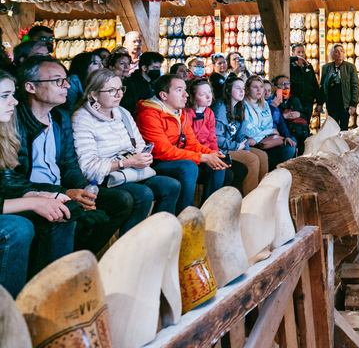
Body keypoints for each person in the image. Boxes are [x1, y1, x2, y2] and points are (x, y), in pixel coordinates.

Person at [14, 55, 132, 254]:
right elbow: (14, 180)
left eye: (66, 80)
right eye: (57, 81)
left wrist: (85, 189)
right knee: (65, 214)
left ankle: (81, 255)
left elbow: (69, 165)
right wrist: (66, 194)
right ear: (30, 87)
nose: (67, 86)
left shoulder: (60, 117)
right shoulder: (15, 122)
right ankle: (61, 271)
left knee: (121, 201)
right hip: (31, 193)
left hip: (61, 187)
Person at [72, 69, 181, 234]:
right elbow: (88, 167)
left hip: (133, 170)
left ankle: (160, 236)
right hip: (106, 178)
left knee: (171, 185)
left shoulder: (122, 112)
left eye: (120, 89)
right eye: (111, 91)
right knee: (143, 194)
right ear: (94, 95)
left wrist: (144, 156)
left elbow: (138, 144)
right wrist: (125, 163)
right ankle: (129, 247)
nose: (118, 94)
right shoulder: (82, 118)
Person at [0, 69, 75, 297]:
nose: (14, 101)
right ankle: (10, 320)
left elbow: (6, 184)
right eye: (5, 95)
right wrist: (33, 202)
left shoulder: (4, 130)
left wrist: (41, 197)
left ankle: (49, 299)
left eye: (12, 94)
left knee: (60, 212)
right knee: (17, 228)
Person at [135, 75, 229, 213]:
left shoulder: (179, 112)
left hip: (176, 157)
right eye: (179, 90)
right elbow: (163, 151)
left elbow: (191, 143)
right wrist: (202, 157)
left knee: (217, 164)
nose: (186, 95)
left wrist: (212, 154)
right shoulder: (149, 114)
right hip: (154, 162)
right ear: (163, 95)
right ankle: (186, 216)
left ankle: (208, 213)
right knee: (188, 166)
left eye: (185, 90)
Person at [211, 78, 268, 195]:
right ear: (228, 90)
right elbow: (217, 138)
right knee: (252, 159)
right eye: (237, 88)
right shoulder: (220, 107)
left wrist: (245, 149)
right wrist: (237, 146)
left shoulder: (239, 106)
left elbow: (242, 134)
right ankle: (249, 198)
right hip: (222, 148)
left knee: (262, 156)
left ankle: (262, 195)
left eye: (243, 88)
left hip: (235, 146)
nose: (242, 91)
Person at [317, 43, 358, 131]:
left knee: (343, 128)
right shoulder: (326, 68)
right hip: (331, 103)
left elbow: (354, 86)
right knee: (333, 128)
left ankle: (342, 144)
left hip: (344, 103)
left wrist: (353, 104)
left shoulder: (350, 68)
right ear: (332, 54)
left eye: (341, 51)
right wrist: (320, 103)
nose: (340, 54)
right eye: (336, 52)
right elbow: (322, 86)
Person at [273, 75, 310, 156]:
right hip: (284, 132)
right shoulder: (273, 100)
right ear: (276, 87)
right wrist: (282, 117)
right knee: (291, 146)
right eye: (282, 84)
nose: (286, 86)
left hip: (299, 131)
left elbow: (305, 116)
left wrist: (299, 114)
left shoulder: (294, 99)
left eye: (287, 83)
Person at [263, 80, 297, 159]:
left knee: (292, 142)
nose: (267, 93)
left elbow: (281, 122)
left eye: (268, 91)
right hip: (266, 136)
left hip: (277, 134)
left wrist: (287, 136)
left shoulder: (272, 102)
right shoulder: (259, 105)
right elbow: (264, 122)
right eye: (264, 90)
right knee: (288, 149)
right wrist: (272, 107)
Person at [290, 43, 320, 122]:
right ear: (293, 54)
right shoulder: (289, 66)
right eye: (298, 52)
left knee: (306, 124)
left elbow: (314, 85)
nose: (301, 54)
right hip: (294, 103)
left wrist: (319, 102)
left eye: (303, 52)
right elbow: (283, 59)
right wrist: (294, 59)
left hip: (307, 102)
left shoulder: (308, 66)